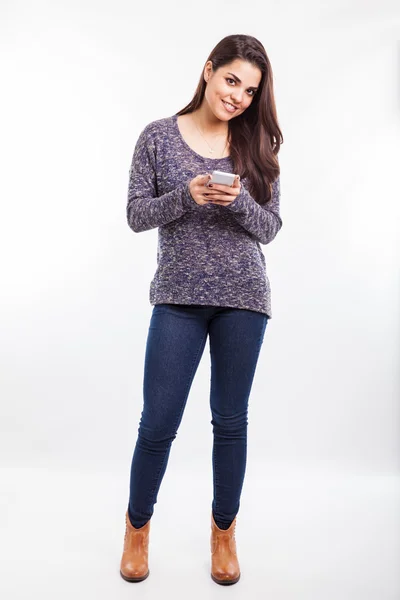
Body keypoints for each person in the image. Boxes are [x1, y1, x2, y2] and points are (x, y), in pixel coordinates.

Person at [120, 33, 283, 586]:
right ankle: (137, 530)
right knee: (158, 423)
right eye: (232, 80)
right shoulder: (158, 137)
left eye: (250, 90)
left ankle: (223, 533)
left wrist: (238, 203)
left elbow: (272, 229)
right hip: (177, 298)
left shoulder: (258, 147)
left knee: (229, 422)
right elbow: (137, 216)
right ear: (209, 71)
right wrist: (186, 196)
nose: (238, 96)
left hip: (244, 299)